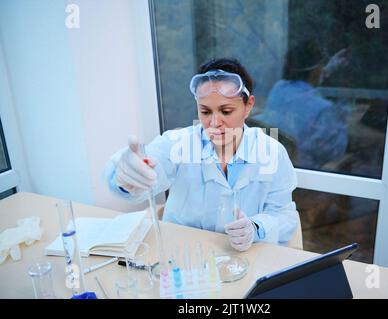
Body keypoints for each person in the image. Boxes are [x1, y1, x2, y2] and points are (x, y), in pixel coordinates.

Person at [104, 58, 298, 252]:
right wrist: (126, 175)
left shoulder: (272, 152)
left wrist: (256, 228)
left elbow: (283, 215)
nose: (214, 122)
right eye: (205, 112)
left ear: (248, 106)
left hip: (245, 259)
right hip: (185, 257)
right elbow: (149, 161)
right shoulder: (179, 143)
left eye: (226, 111)